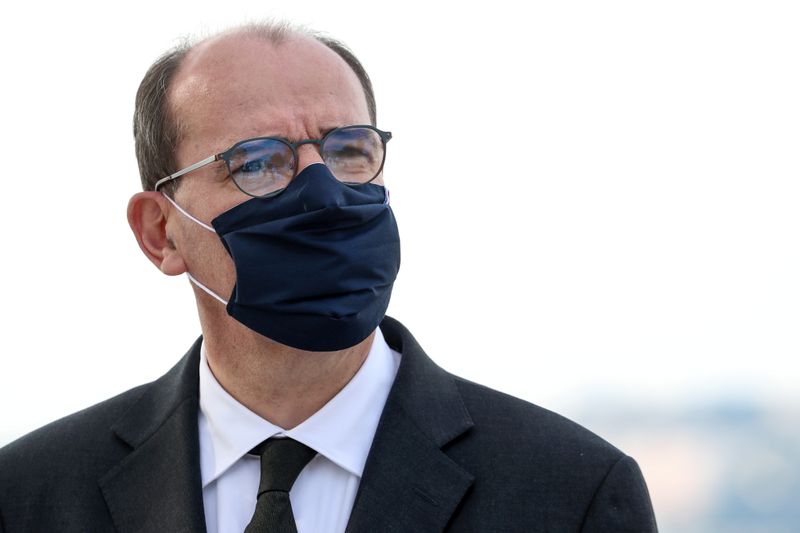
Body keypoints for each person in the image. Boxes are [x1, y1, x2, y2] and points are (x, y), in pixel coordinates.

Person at [0, 22, 657, 532]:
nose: (323, 191)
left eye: (349, 150)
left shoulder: (571, 492)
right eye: (257, 162)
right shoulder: (30, 494)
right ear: (159, 231)